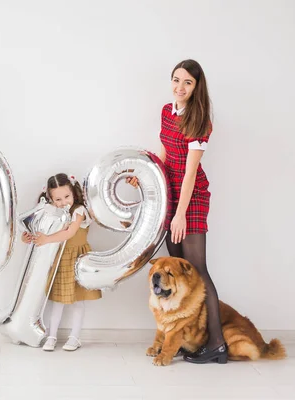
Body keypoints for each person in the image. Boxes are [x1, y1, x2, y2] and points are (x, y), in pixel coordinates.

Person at [127, 59, 227, 364]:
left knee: (197, 270)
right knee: (177, 270)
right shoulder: (167, 111)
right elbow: (165, 155)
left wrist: (180, 214)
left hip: (191, 197)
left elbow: (190, 172)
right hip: (170, 194)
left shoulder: (200, 121)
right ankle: (185, 338)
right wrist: (146, 179)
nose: (180, 87)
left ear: (197, 87)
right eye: (176, 80)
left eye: (187, 83)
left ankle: (218, 344)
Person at [22, 173, 102, 351]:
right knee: (57, 300)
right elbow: (37, 228)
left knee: (76, 300)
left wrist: (46, 239)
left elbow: (69, 233)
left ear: (73, 192)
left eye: (67, 196)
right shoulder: (52, 211)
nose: (63, 202)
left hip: (77, 259)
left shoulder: (79, 211)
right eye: (58, 199)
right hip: (58, 258)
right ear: (50, 198)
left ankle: (74, 337)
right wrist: (30, 237)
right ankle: (52, 336)